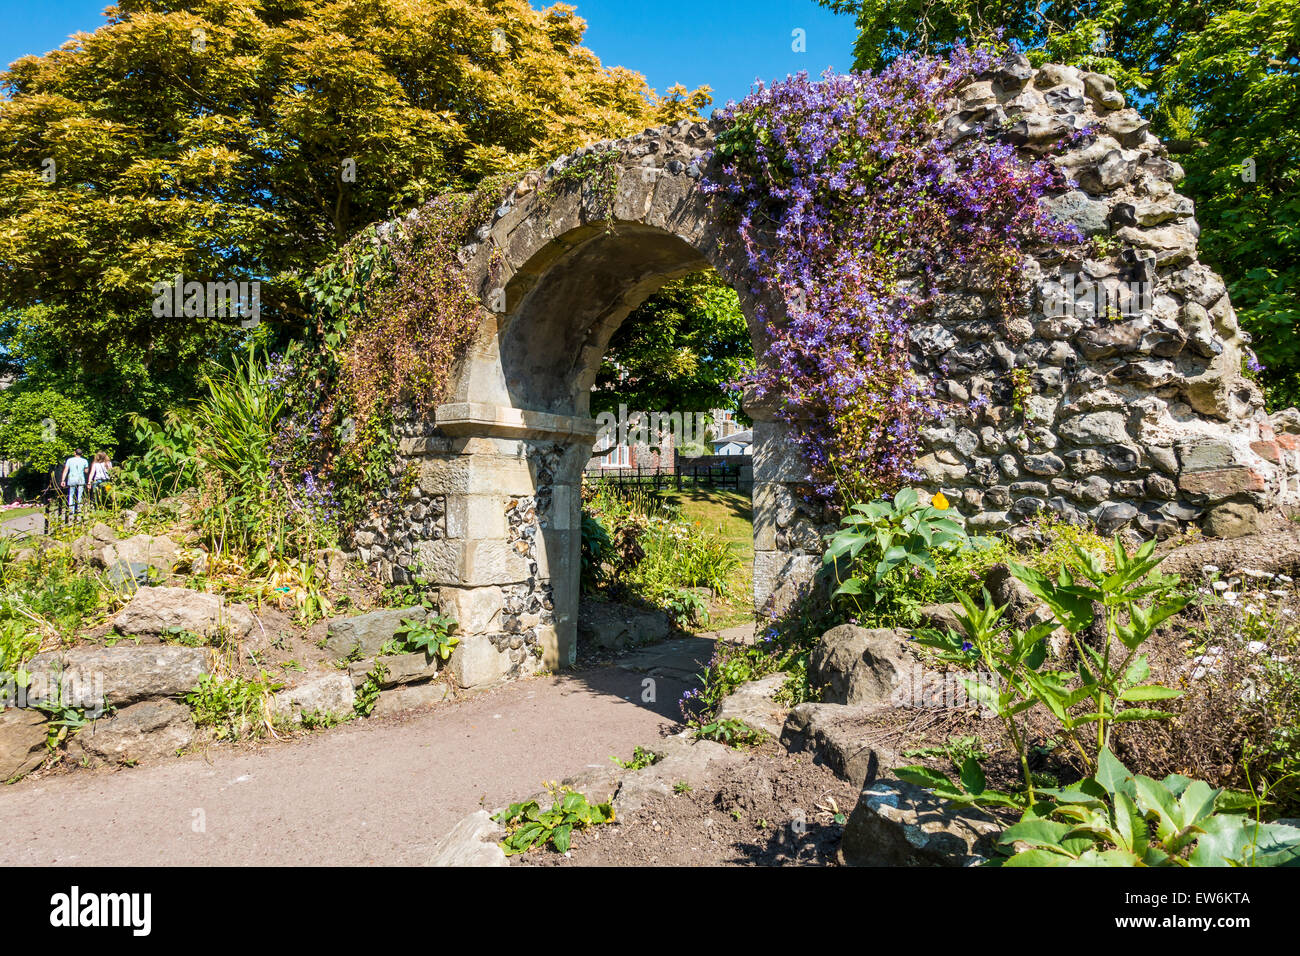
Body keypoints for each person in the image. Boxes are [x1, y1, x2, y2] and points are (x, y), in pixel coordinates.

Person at [60, 448, 89, 518]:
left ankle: (71, 509)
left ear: (74, 453)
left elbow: (66, 470)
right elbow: (86, 471)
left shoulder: (69, 460)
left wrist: (63, 480)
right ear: (81, 454)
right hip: (81, 479)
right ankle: (78, 508)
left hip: (72, 478)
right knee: (80, 494)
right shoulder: (84, 461)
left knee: (71, 493)